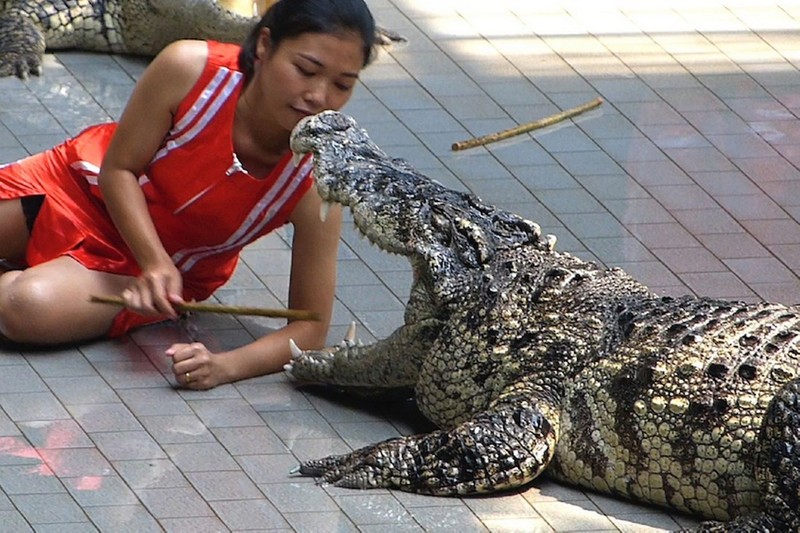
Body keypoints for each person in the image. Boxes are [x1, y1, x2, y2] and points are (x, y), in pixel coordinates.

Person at [0, 0, 377, 389]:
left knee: (22, 306)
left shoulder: (320, 176)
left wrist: (225, 366)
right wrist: (154, 260)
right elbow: (119, 170)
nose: (318, 96)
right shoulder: (190, 68)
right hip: (80, 188)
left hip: (143, 275)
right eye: (306, 70)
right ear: (264, 45)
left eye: (342, 85)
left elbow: (310, 324)